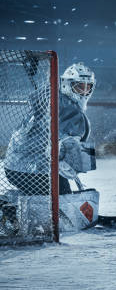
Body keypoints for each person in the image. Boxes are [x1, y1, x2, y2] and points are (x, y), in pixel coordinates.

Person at [4, 62, 97, 196]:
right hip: (32, 170)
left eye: (87, 87)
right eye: (79, 87)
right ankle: (12, 209)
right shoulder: (69, 109)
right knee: (62, 200)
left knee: (57, 191)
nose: (84, 92)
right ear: (66, 84)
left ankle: (14, 203)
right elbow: (63, 147)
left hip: (13, 167)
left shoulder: (50, 95)